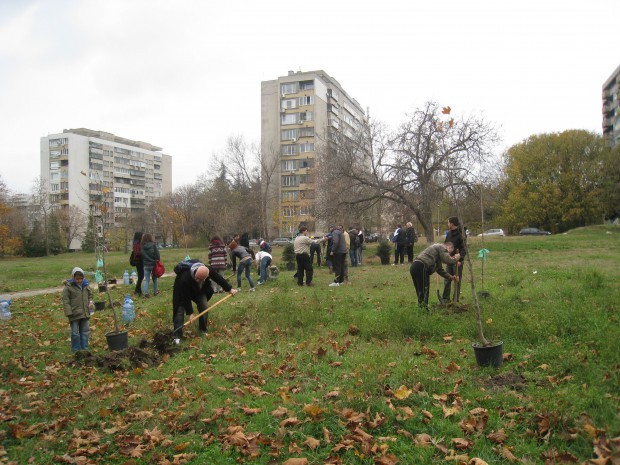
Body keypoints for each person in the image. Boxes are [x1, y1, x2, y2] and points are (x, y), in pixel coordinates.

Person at [172, 261, 237, 342]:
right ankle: (177, 336)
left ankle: (203, 330)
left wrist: (230, 289)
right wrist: (190, 313)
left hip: (199, 290)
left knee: (204, 306)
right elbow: (185, 297)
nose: (197, 280)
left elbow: (219, 279)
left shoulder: (209, 270)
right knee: (179, 310)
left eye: (200, 279)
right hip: (181, 290)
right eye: (196, 278)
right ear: (195, 272)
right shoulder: (185, 277)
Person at [410, 242, 460, 307]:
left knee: (420, 290)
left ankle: (422, 308)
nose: (448, 254)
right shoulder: (442, 247)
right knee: (424, 290)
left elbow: (440, 270)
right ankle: (424, 309)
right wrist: (456, 258)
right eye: (448, 253)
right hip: (421, 266)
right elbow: (448, 260)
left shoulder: (436, 255)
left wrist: (452, 277)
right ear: (448, 247)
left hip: (414, 267)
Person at [62, 267, 94, 353]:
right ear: (73, 277)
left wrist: (90, 302)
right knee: (75, 333)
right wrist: (69, 312)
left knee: (85, 331)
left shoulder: (86, 285)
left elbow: (90, 295)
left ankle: (85, 349)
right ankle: (75, 350)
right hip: (74, 314)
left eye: (81, 279)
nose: (79, 281)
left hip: (85, 313)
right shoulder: (68, 287)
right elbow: (66, 301)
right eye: (77, 279)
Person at [442, 216, 467, 302]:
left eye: (448, 222)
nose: (447, 224)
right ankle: (445, 299)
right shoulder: (448, 233)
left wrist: (460, 259)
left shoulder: (461, 234)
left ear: (452, 223)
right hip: (449, 260)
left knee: (456, 281)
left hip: (457, 262)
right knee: (447, 279)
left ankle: (455, 300)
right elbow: (446, 245)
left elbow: (464, 249)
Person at [140, 233, 160, 298]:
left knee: (147, 280)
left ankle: (145, 293)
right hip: (153, 265)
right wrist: (157, 260)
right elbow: (157, 255)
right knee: (155, 279)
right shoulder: (153, 245)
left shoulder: (142, 246)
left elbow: (142, 256)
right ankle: (155, 292)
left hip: (146, 265)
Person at [131, 232, 144, 296]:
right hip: (139, 262)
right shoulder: (137, 244)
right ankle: (137, 290)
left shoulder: (136, 243)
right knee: (141, 276)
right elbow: (138, 253)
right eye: (142, 235)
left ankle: (138, 290)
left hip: (139, 261)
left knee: (141, 276)